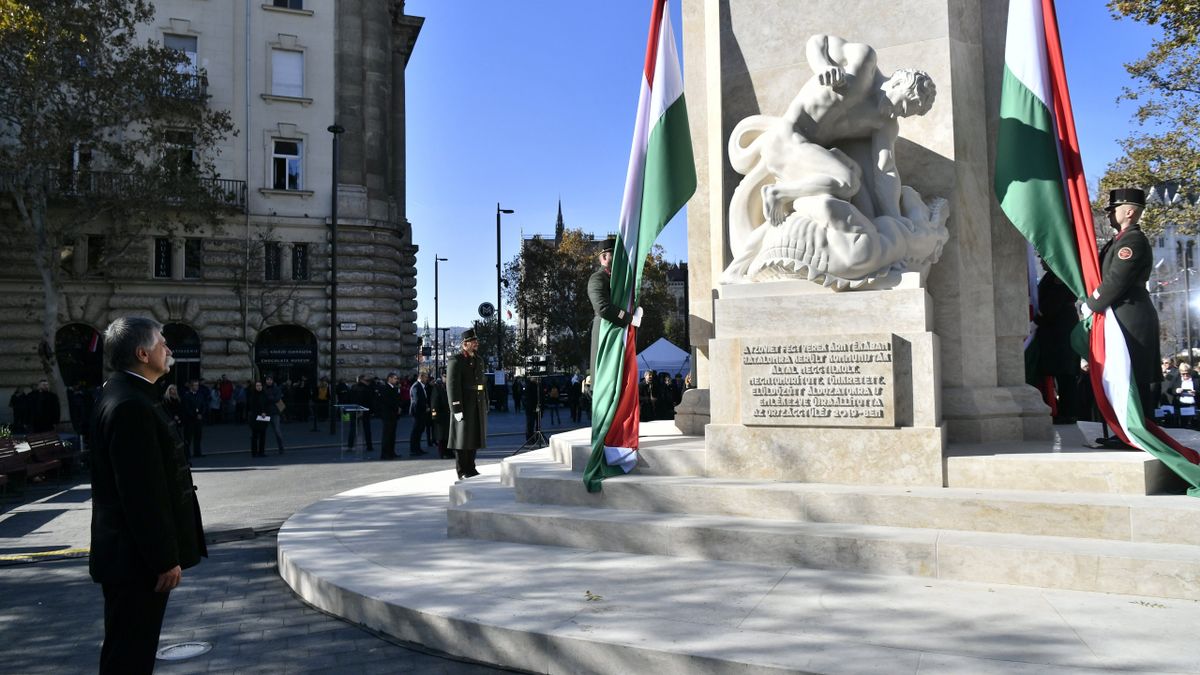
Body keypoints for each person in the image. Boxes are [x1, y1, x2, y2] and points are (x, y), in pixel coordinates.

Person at [89, 317, 205, 674]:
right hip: (136, 562)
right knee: (129, 656)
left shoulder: (128, 393)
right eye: (162, 344)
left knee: (130, 649)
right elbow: (141, 493)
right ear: (142, 353)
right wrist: (163, 558)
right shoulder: (131, 405)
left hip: (131, 558)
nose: (168, 350)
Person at [1083, 188, 1161, 433]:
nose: (1108, 215)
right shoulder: (1116, 241)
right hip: (1118, 312)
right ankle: (1125, 430)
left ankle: (1139, 430)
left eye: (1112, 210)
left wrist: (1092, 303)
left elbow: (1118, 279)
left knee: (1133, 374)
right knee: (1119, 373)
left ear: (1129, 212)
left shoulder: (1133, 240)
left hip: (1131, 314)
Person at [1032, 264, 1081, 424]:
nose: (1041, 262)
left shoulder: (1059, 275)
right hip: (1056, 330)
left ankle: (1069, 412)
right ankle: (1066, 411)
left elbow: (1053, 303)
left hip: (1060, 330)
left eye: (1043, 257)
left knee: (1065, 373)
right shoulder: (1052, 275)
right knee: (1062, 372)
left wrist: (1037, 319)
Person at [588, 241, 642, 376]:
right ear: (604, 257)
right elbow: (603, 308)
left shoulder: (618, 280)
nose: (620, 259)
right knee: (606, 377)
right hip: (605, 332)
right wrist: (630, 318)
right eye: (615, 255)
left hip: (619, 333)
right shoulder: (598, 278)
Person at [447, 329, 487, 479]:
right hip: (464, 404)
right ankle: (462, 470)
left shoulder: (479, 360)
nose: (476, 343)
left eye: (476, 341)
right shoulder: (456, 360)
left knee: (474, 437)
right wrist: (456, 407)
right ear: (465, 344)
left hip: (476, 404)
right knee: (462, 439)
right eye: (473, 341)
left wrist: (485, 403)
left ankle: (471, 467)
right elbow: (452, 386)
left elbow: (482, 383)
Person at [346, 375, 376, 453]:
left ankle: (350, 446)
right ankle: (369, 446)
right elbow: (370, 401)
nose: (368, 382)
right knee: (367, 429)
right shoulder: (367, 389)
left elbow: (348, 399)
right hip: (364, 410)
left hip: (354, 410)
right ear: (362, 380)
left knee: (353, 428)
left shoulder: (353, 387)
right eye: (366, 380)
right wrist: (372, 411)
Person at [377, 372, 403, 459]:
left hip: (394, 415)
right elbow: (387, 401)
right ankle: (385, 454)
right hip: (388, 415)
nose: (396, 380)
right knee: (387, 435)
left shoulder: (394, 388)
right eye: (395, 378)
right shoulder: (385, 388)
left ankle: (391, 452)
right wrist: (396, 407)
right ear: (390, 379)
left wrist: (399, 407)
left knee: (392, 435)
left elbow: (397, 399)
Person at [180, 380, 206, 458]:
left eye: (197, 385)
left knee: (198, 437)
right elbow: (187, 408)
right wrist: (195, 415)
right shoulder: (186, 396)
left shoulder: (200, 395)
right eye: (195, 385)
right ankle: (187, 454)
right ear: (191, 386)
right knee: (188, 438)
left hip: (199, 420)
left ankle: (197, 452)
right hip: (190, 420)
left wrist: (201, 414)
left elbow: (203, 405)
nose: (197, 387)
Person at [246, 380, 271, 457]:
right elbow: (252, 407)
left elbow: (267, 405)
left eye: (260, 385)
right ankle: (254, 452)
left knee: (263, 436)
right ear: (255, 386)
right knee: (254, 436)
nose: (259, 387)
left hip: (263, 418)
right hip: (255, 418)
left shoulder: (265, 394)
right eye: (257, 385)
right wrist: (261, 413)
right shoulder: (253, 395)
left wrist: (265, 412)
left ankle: (261, 452)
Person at [429, 377, 453, 459]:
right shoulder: (437, 387)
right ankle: (443, 453)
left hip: (447, 415)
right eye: (446, 377)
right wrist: (434, 414)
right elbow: (434, 402)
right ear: (443, 377)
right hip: (440, 415)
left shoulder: (448, 386)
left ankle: (449, 451)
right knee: (441, 436)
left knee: (448, 435)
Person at [1170, 363, 1197, 429]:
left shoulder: (1196, 379)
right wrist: (1176, 391)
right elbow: (1169, 390)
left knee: (1194, 423)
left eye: (1187, 373)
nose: (1185, 375)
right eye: (1183, 374)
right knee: (1183, 424)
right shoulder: (1176, 379)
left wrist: (1196, 392)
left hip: (1193, 404)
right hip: (1181, 404)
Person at [409, 372, 430, 457]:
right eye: (425, 377)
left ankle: (418, 448)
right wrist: (425, 407)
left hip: (421, 412)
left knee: (420, 431)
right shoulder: (416, 386)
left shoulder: (421, 386)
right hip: (417, 413)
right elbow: (417, 401)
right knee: (416, 431)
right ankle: (413, 449)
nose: (427, 379)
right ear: (421, 377)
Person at [263, 376, 286, 454]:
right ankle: (261, 450)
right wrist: (271, 398)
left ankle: (281, 448)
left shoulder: (277, 389)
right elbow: (264, 399)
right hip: (265, 413)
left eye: (270, 380)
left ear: (272, 381)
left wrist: (269, 398)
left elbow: (277, 398)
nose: (269, 381)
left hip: (275, 413)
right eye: (267, 380)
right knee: (262, 431)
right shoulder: (264, 388)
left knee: (277, 431)